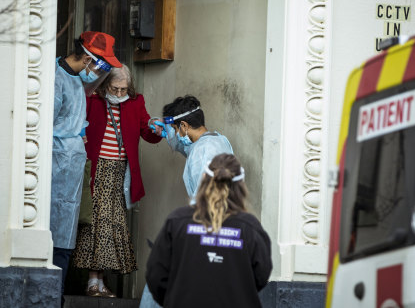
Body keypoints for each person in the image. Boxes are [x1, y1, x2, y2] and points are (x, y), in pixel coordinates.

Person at [71, 64, 162, 297]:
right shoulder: (93, 99)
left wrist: (157, 128)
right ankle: (93, 281)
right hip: (96, 168)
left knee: (112, 223)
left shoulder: (135, 101)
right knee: (96, 222)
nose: (120, 93)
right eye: (115, 88)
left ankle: (100, 282)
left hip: (121, 171)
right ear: (105, 85)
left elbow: (147, 132)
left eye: (123, 89)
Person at [145, 153, 272, 307]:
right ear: (241, 185)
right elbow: (261, 275)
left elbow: (156, 274)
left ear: (204, 178)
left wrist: (175, 298)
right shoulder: (250, 228)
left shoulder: (177, 221)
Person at [51, 31, 121, 300]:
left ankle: (57, 293)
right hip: (57, 164)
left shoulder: (77, 82)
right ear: (88, 58)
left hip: (70, 167)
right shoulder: (57, 78)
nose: (100, 72)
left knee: (66, 233)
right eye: (102, 65)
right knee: (54, 234)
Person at [160, 95, 234, 200]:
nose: (175, 133)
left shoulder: (201, 151)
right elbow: (188, 149)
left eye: (175, 129)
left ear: (184, 125)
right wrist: (169, 134)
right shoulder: (219, 140)